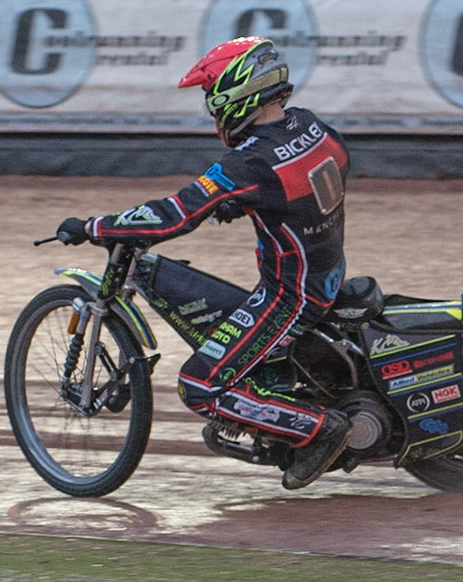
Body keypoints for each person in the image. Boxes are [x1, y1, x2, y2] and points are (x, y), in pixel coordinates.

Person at [55, 36, 354, 491]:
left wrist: (96, 227)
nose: (210, 105)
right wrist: (252, 203)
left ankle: (318, 429)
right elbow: (330, 166)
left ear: (235, 92)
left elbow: (172, 216)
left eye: (210, 93)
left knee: (199, 385)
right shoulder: (310, 127)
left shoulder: (249, 162)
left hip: (289, 297)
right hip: (325, 273)